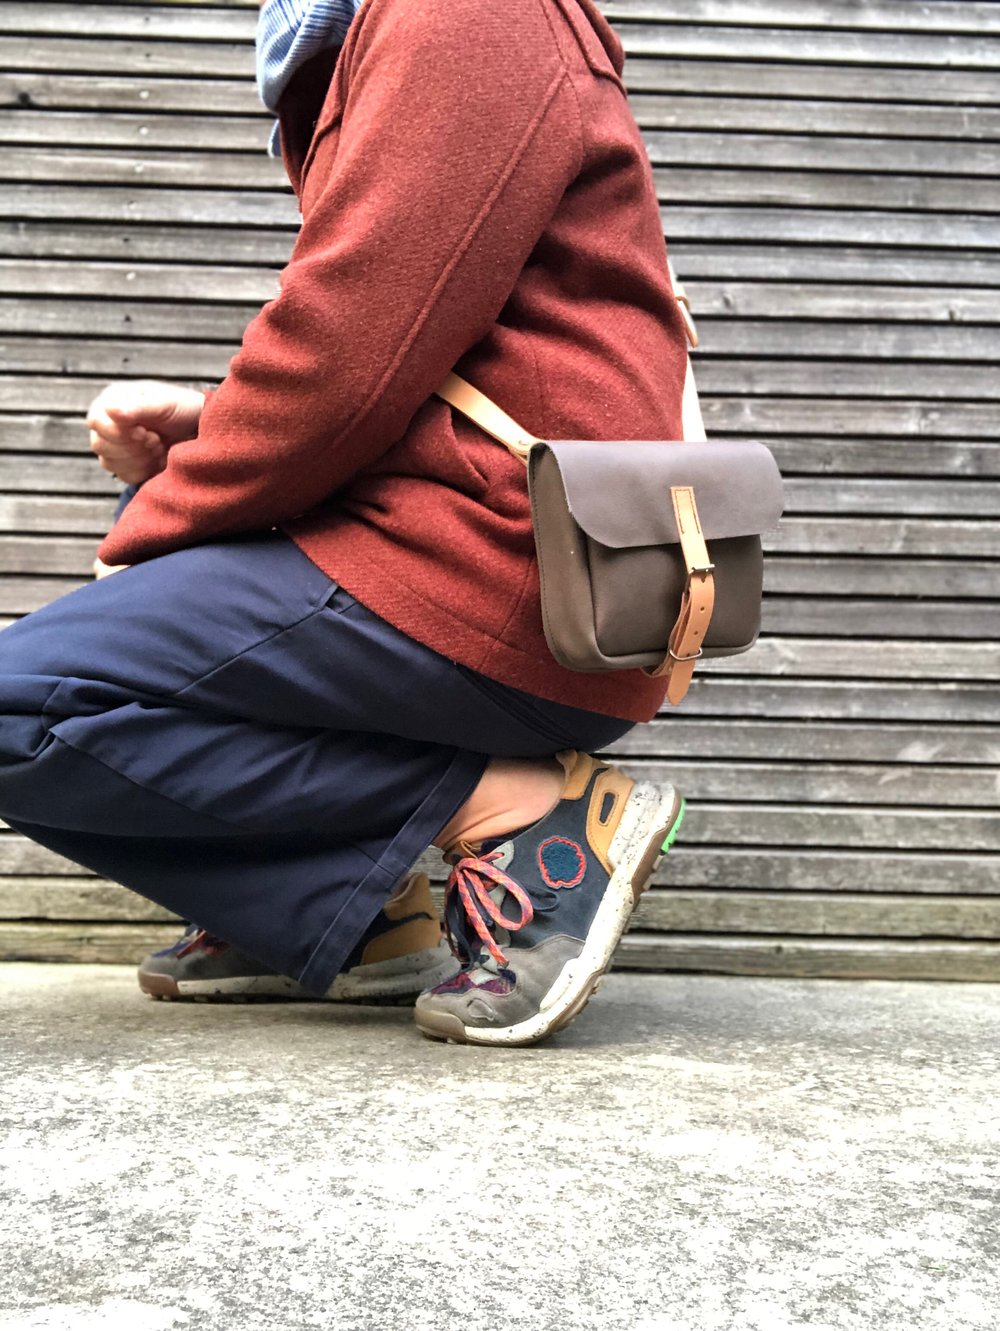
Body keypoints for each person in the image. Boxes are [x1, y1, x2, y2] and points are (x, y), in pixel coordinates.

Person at [0, 0, 689, 1047]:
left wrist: (150, 536)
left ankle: (516, 819)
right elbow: (419, 336)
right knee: (154, 515)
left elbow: (351, 347)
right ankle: (365, 916)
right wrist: (207, 432)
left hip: (504, 554)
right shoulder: (383, 31)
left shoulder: (463, 13)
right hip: (482, 537)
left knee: (21, 700)